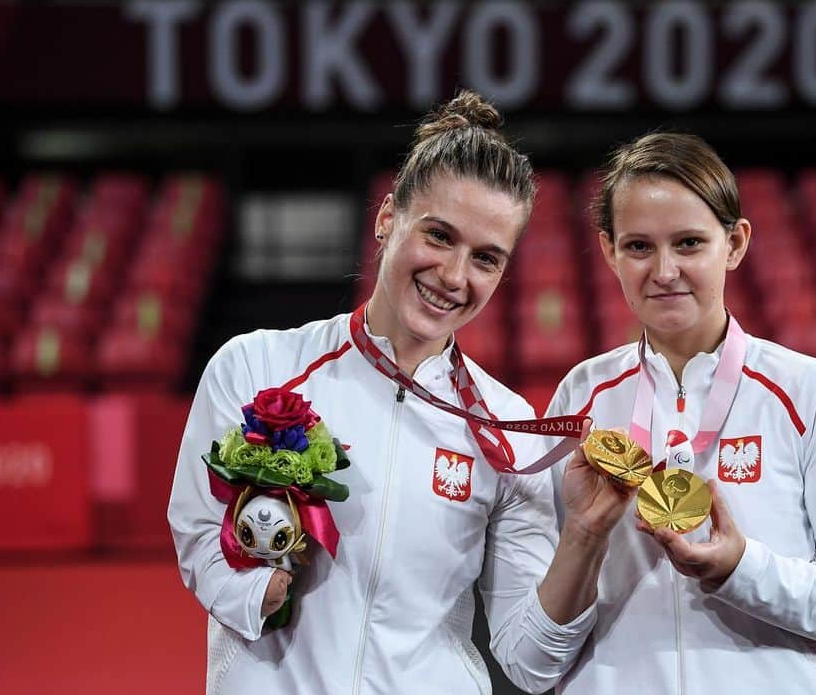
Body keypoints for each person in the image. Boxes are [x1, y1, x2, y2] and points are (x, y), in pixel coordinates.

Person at [168, 91, 631, 695]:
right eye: (439, 236)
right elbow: (199, 533)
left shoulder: (509, 429)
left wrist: (587, 536)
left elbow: (529, 660)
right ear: (388, 219)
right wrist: (265, 589)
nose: (454, 276)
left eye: (486, 258)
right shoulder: (257, 365)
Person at [546, 133, 816, 694]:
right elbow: (537, 644)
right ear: (608, 251)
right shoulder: (581, 398)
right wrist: (582, 537)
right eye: (639, 247)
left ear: (736, 243)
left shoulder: (810, 393)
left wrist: (743, 570)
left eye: (690, 243)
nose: (664, 270)